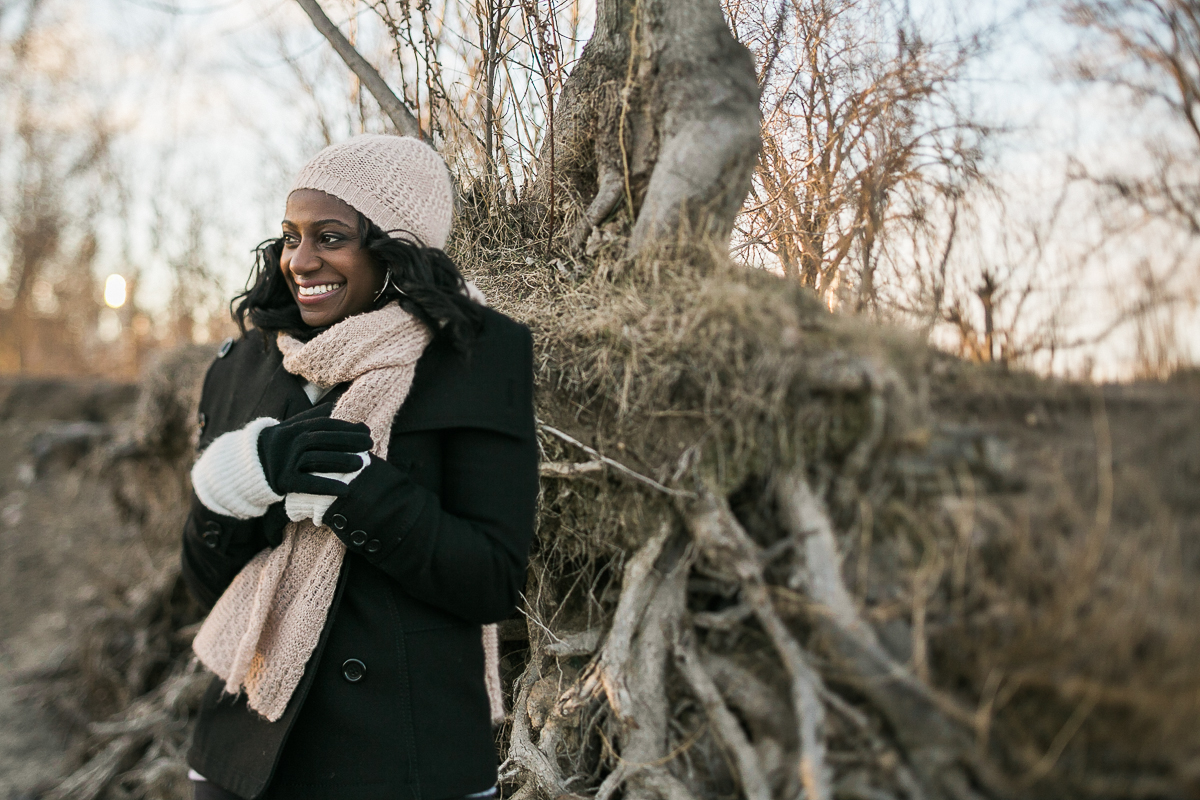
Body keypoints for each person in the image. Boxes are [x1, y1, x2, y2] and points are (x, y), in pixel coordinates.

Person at [180, 134, 538, 800]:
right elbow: (206, 588)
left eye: (331, 236)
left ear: (395, 246)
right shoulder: (246, 364)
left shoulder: (478, 355)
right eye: (291, 236)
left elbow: (491, 579)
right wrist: (241, 479)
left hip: (406, 764)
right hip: (247, 760)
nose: (301, 260)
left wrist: (356, 493)